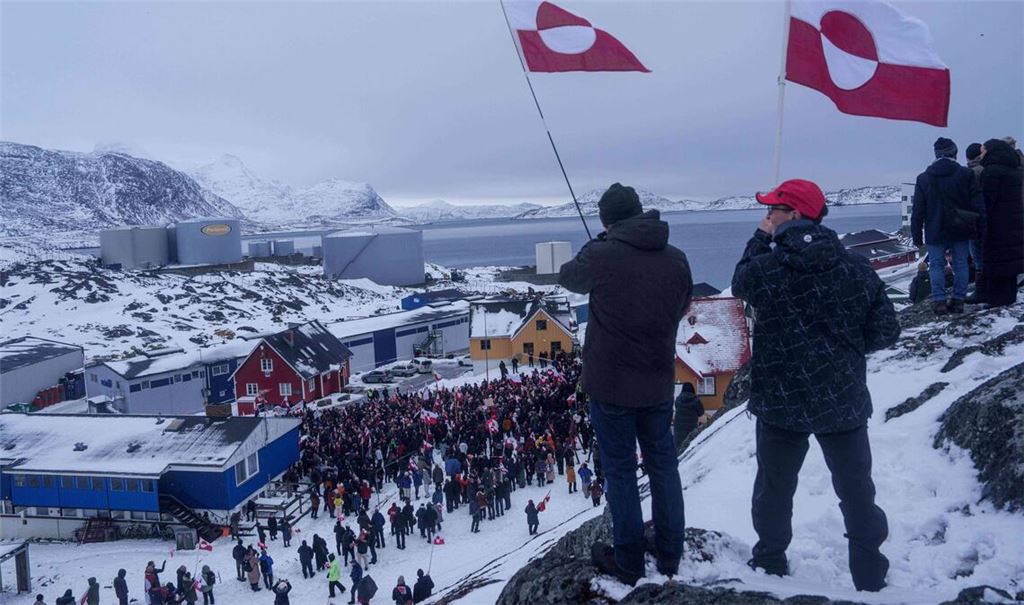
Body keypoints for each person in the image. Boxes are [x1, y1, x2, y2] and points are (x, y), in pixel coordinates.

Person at [732, 178, 900, 592]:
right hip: (842, 399)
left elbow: (740, 283)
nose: (767, 215)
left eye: (772, 209)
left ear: (793, 215)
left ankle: (769, 563)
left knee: (774, 489)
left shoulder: (768, 269)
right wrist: (844, 351)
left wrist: (760, 237)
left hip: (780, 400)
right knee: (856, 490)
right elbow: (885, 331)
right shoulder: (856, 268)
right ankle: (869, 574)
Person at [559, 183, 692, 585]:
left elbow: (568, 277)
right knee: (663, 465)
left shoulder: (601, 254)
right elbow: (684, 304)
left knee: (620, 471)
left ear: (607, 220)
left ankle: (630, 559)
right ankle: (670, 551)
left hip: (611, 386)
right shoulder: (676, 258)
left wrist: (599, 243)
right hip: (657, 381)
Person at [911, 137, 985, 314]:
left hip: (934, 229)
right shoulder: (966, 174)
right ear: (954, 153)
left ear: (936, 154)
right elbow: (978, 204)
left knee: (936, 265)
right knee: (961, 264)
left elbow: (918, 210)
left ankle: (940, 302)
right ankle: (958, 300)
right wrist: (981, 228)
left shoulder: (923, 178)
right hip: (960, 227)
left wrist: (917, 236)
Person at [974, 138, 1024, 307]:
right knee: (1010, 260)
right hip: (1014, 220)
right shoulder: (1014, 170)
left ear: (991, 151)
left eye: (983, 151)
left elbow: (987, 200)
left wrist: (981, 219)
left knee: (996, 259)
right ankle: (1009, 295)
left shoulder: (991, 171)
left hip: (996, 223)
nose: (980, 155)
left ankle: (996, 299)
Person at [673, 382, 704, 450]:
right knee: (690, 445)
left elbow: (676, 407)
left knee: (678, 445)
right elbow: (701, 412)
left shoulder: (678, 399)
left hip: (678, 426)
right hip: (691, 426)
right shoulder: (696, 400)